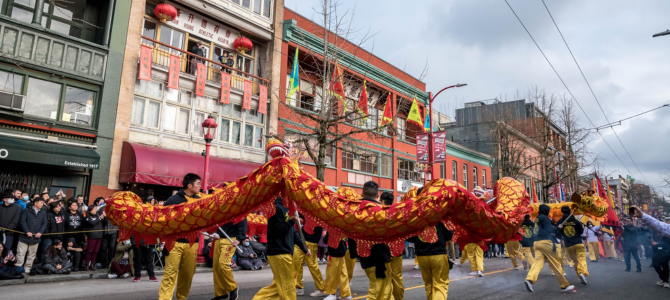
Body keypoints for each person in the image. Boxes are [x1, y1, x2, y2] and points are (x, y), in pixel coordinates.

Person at [251, 197, 309, 300]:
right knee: (288, 285)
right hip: (279, 252)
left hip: (284, 252)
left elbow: (293, 233)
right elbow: (276, 230)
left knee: (279, 285)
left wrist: (304, 248)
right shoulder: (276, 208)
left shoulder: (288, 208)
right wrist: (292, 222)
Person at [159, 173, 202, 300]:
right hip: (174, 242)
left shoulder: (199, 200)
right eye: (198, 184)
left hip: (192, 243)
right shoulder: (172, 201)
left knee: (188, 273)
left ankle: (181, 298)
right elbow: (164, 221)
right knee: (170, 273)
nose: (200, 186)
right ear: (190, 185)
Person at [524, 204, 574, 293]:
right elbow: (550, 230)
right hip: (546, 243)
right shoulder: (544, 218)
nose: (549, 212)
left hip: (537, 243)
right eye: (549, 210)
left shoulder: (537, 218)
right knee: (556, 264)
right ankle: (564, 286)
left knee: (537, 263)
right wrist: (558, 228)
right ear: (546, 210)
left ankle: (530, 279)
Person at [358, 181, 394, 300]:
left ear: (362, 193)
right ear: (377, 194)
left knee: (384, 291)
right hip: (380, 258)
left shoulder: (355, 209)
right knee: (379, 292)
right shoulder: (382, 210)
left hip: (364, 256)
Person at [408, 221, 452, 300]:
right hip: (438, 254)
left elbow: (409, 236)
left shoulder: (417, 218)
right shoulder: (440, 217)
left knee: (429, 284)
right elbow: (449, 235)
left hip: (422, 256)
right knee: (440, 284)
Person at [210, 206, 246, 300]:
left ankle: (232, 287)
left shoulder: (238, 208)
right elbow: (213, 223)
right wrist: (214, 233)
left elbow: (242, 221)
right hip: (219, 239)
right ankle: (221, 293)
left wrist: (239, 238)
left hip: (231, 240)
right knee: (217, 266)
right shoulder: (219, 209)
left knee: (223, 264)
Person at [293, 214, 326, 297]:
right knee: (296, 262)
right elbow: (299, 213)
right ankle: (298, 287)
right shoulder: (307, 207)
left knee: (312, 265)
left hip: (311, 241)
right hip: (301, 239)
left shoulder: (320, 211)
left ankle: (321, 288)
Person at [381, 191, 404, 300]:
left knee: (386, 278)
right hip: (397, 249)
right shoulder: (398, 213)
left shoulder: (380, 213)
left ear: (382, 201)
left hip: (384, 250)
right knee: (397, 277)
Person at [556, 206, 588, 285]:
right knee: (581, 258)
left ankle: (579, 275)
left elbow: (556, 232)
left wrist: (560, 231)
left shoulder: (560, 221)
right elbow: (581, 231)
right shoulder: (575, 221)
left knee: (575, 261)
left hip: (568, 244)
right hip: (578, 242)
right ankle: (582, 272)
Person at [16, 196, 47, 274]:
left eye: (43, 203)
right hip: (24, 236)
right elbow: (22, 222)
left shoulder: (43, 212)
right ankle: (18, 267)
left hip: (36, 237)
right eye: (41, 203)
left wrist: (40, 232)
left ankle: (28, 267)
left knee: (32, 254)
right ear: (35, 203)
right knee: (21, 253)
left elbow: (44, 223)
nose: (42, 205)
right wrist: (26, 231)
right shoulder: (26, 210)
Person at [322, 232, 351, 300]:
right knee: (343, 275)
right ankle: (345, 294)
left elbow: (325, 240)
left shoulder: (332, 229)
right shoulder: (342, 227)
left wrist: (326, 235)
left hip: (334, 254)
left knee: (332, 275)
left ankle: (332, 294)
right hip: (342, 254)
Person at [100, 198, 119, 268]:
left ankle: (110, 263)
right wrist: (104, 217)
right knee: (104, 248)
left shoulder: (116, 209)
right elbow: (99, 219)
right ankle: (103, 263)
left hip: (113, 230)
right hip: (104, 230)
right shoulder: (102, 208)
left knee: (112, 248)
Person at [84, 205, 104, 271]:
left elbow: (104, 221)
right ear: (90, 210)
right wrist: (101, 217)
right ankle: (87, 264)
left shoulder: (98, 216)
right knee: (89, 251)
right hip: (92, 236)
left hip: (99, 236)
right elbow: (93, 223)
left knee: (96, 251)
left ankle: (92, 264)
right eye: (94, 209)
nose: (95, 210)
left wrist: (104, 216)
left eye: (96, 209)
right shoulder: (88, 218)